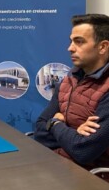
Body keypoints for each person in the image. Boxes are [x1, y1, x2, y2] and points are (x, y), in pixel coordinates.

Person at [34, 13, 109, 173]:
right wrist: (74, 135)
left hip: (93, 179)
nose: (70, 48)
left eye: (79, 42)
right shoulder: (69, 80)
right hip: (57, 166)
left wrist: (55, 124)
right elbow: (39, 131)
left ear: (102, 47)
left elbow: (84, 151)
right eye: (71, 41)